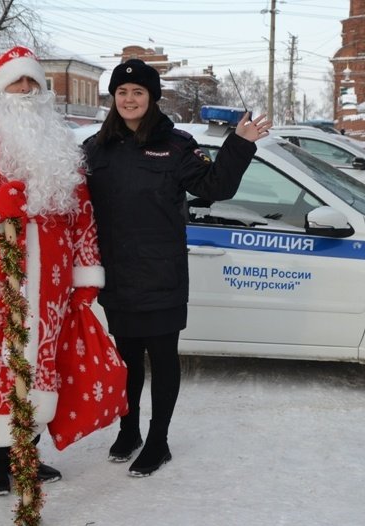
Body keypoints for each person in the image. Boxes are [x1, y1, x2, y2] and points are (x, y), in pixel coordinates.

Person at [82, 59, 272, 477]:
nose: (129, 99)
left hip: (162, 273)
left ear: (151, 98)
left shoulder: (176, 145)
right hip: (116, 273)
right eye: (122, 92)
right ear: (114, 99)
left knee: (162, 357)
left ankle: (158, 440)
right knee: (126, 359)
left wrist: (239, 143)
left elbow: (215, 186)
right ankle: (128, 429)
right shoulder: (96, 149)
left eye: (138, 92)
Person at [0, 46, 104, 495]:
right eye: (16, 81)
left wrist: (87, 276)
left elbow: (82, 214)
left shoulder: (60, 142)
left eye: (32, 81)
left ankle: (26, 453)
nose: (26, 89)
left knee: (40, 363)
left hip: (52, 278)